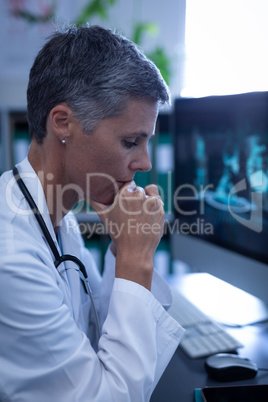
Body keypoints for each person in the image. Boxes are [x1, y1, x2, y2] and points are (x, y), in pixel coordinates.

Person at [0, 25, 184, 401]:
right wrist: (136, 258)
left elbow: (98, 332)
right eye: (130, 142)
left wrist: (122, 246)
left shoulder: (57, 215)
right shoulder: (11, 253)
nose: (145, 163)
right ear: (63, 123)